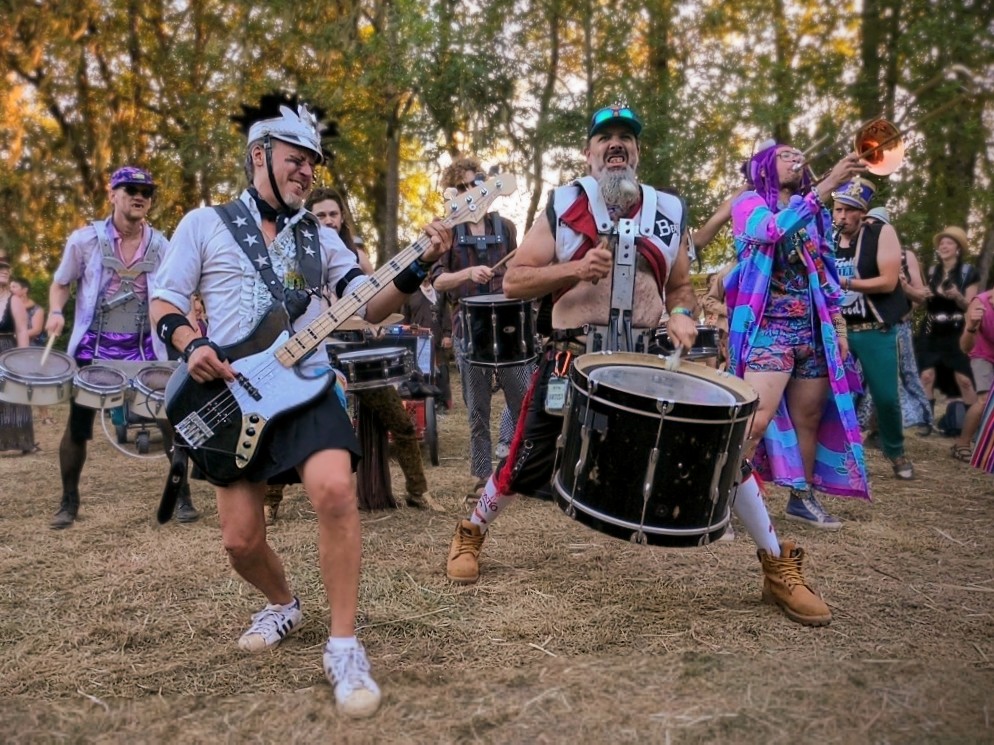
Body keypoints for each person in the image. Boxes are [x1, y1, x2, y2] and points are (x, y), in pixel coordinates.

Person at [446, 105, 833, 627]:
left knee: (717, 451)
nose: (615, 144)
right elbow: (514, 280)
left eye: (626, 137)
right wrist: (577, 267)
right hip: (574, 354)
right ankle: (471, 532)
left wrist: (680, 316)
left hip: (647, 358)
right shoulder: (564, 205)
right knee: (528, 454)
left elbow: (678, 288)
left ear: (638, 152)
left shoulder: (668, 211)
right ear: (588, 152)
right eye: (604, 137)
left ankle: (775, 564)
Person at [149, 98, 451, 717]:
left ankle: (344, 645)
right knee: (239, 541)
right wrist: (192, 343)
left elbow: (367, 304)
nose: (307, 172)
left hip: (309, 382)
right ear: (260, 155)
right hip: (231, 390)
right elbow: (165, 301)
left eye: (313, 164)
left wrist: (420, 263)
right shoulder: (205, 224)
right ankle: (284, 603)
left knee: (335, 491)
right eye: (296, 160)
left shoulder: (322, 237)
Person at [45, 166, 200, 528]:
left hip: (145, 348)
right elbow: (61, 282)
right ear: (112, 193)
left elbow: (179, 291)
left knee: (169, 423)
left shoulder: (162, 244)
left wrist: (191, 326)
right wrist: (55, 311)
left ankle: (181, 497)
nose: (140, 196)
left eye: (147, 191)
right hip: (93, 349)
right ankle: (68, 500)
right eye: (130, 189)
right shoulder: (84, 241)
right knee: (78, 427)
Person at [726, 141, 869, 532]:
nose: (795, 159)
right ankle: (721, 500)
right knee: (753, 420)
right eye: (785, 155)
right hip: (767, 330)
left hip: (812, 329)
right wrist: (826, 186)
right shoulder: (748, 203)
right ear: (763, 168)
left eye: (797, 156)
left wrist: (838, 326)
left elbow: (826, 270)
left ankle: (801, 499)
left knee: (809, 417)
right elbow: (771, 231)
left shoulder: (817, 214)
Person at [308, 186, 438, 512]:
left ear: (342, 217)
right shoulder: (296, 254)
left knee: (401, 423)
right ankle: (272, 501)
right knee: (298, 428)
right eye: (320, 215)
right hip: (313, 356)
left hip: (358, 352)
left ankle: (418, 492)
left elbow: (375, 303)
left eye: (332, 214)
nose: (327, 220)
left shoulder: (357, 256)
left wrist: (377, 322)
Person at [431, 157, 532, 500]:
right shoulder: (447, 231)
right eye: (460, 187)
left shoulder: (505, 227)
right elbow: (438, 281)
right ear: (451, 194)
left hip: (507, 329)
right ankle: (481, 476)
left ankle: (522, 469)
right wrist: (467, 275)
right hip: (468, 330)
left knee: (522, 403)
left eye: (474, 184)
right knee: (476, 410)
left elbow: (520, 267)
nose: (469, 192)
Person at [832, 179, 914, 480]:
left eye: (849, 210)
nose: (842, 216)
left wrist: (844, 282)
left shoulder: (881, 232)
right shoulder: (826, 238)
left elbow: (889, 281)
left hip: (873, 328)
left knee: (886, 397)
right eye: (838, 209)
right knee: (825, 394)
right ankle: (831, 455)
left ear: (862, 213)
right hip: (837, 328)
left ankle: (896, 451)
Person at [854, 207, 934, 437]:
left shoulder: (904, 256)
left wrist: (903, 287)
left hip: (896, 327)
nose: (870, 228)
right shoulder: (855, 251)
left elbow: (920, 296)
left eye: (875, 224)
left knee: (899, 377)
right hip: (860, 326)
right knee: (859, 377)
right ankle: (858, 428)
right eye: (867, 223)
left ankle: (906, 424)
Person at [916, 226, 980, 425]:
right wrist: (923, 294)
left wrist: (958, 296)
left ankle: (973, 424)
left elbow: (971, 305)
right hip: (930, 328)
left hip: (957, 329)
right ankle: (926, 423)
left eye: (949, 243)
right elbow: (921, 301)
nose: (943, 246)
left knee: (965, 380)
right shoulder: (932, 271)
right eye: (941, 243)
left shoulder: (969, 272)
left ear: (958, 248)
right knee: (926, 376)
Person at [951, 285, 994, 461]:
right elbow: (965, 346)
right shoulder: (980, 303)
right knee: (985, 401)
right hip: (982, 354)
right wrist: (971, 326)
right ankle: (962, 443)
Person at [0, 259, 37, 453]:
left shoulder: (13, 300)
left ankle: (18, 442)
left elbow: (22, 331)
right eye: (0, 268)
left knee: (13, 393)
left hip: (7, 349)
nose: (5, 271)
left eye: (6, 268)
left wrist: (23, 359)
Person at [10, 275, 53, 425]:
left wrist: (16, 334)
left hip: (32, 350)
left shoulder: (37, 309)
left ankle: (45, 415)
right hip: (11, 348)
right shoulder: (7, 306)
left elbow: (35, 330)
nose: (11, 289)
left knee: (36, 382)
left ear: (24, 290)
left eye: (14, 286)